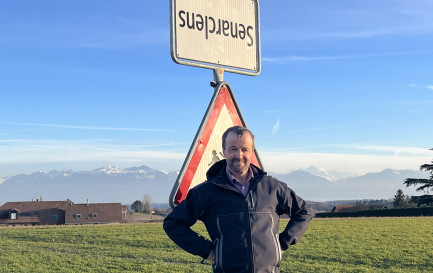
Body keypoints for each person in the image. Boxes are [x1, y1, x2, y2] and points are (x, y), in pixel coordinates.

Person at [163, 126, 313, 273]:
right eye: (233, 148)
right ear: (224, 151)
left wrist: (283, 243)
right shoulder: (205, 192)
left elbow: (304, 211)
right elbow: (173, 224)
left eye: (244, 149)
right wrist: (207, 250)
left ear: (252, 152)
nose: (239, 155)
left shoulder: (272, 187)